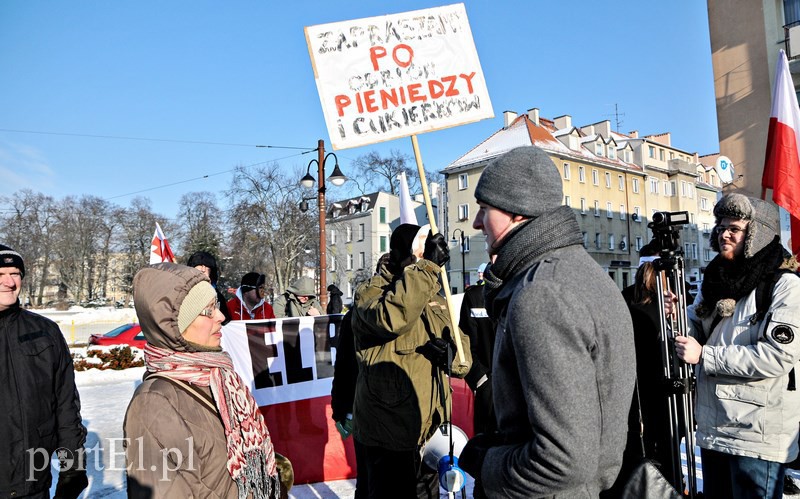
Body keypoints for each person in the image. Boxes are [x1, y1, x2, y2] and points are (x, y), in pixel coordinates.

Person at [458, 146, 636, 497]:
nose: (477, 223)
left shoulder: (542, 294)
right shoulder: (581, 271)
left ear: (518, 213)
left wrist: (488, 464)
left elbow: (562, 460)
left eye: (484, 210)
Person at [673, 193, 800, 499]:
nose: (724, 233)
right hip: (715, 427)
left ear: (757, 235)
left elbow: (777, 356)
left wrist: (706, 356)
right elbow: (697, 328)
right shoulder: (716, 278)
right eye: (721, 227)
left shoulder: (784, 286)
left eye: (735, 228)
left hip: (756, 435)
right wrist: (673, 314)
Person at [124, 262, 287, 498]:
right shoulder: (153, 403)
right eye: (208, 310)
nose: (221, 316)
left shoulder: (220, 377)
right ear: (175, 325)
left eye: (217, 306)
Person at [350, 224, 472, 499]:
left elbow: (464, 359)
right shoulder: (371, 293)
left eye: (428, 253)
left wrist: (450, 356)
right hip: (387, 434)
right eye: (420, 251)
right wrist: (427, 268)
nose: (425, 259)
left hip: (428, 434)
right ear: (403, 253)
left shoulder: (433, 297)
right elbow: (393, 317)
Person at [0, 244, 88, 499]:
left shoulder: (44, 332)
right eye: (0, 274)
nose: (9, 282)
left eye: (15, 273)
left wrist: (72, 467)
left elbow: (65, 405)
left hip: (33, 484)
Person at [458, 261, 494, 499]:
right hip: (489, 386)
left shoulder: (524, 291)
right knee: (487, 456)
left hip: (519, 388)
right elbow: (464, 341)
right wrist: (480, 379)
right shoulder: (475, 297)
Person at [187, 250, 233, 324]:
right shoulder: (183, 294)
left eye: (206, 267)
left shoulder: (218, 297)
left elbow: (225, 322)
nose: (203, 269)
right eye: (199, 266)